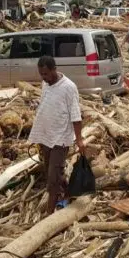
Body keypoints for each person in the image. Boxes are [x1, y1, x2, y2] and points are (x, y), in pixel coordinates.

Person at [27, 56, 86, 214]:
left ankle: (49, 213)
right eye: (41, 74)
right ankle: (69, 191)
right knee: (51, 172)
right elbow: (46, 102)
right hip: (46, 136)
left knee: (52, 179)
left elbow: (75, 115)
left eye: (46, 74)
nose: (43, 78)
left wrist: (79, 139)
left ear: (54, 69)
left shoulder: (68, 87)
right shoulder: (45, 84)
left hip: (61, 138)